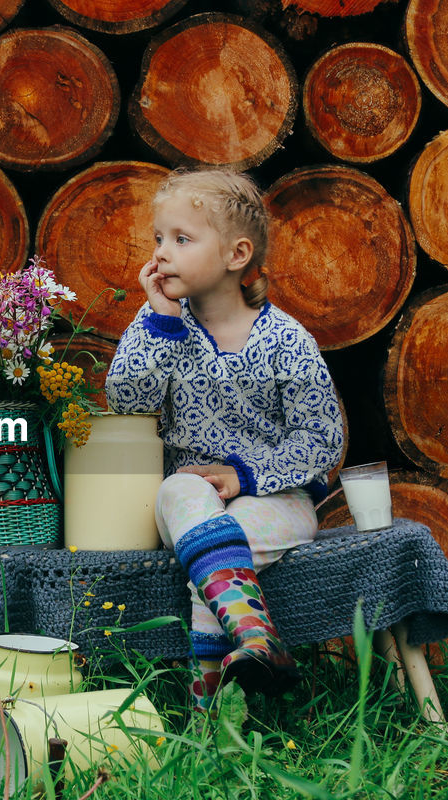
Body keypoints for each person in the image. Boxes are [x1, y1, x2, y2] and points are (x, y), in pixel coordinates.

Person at [105, 167, 345, 713]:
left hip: (276, 504)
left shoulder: (285, 339)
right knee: (181, 495)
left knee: (213, 558)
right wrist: (161, 322)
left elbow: (321, 437)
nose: (162, 253)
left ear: (237, 255)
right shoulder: (159, 326)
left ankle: (209, 719)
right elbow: (127, 400)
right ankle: (258, 639)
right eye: (158, 239)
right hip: (190, 506)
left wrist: (246, 475)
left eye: (182, 239)